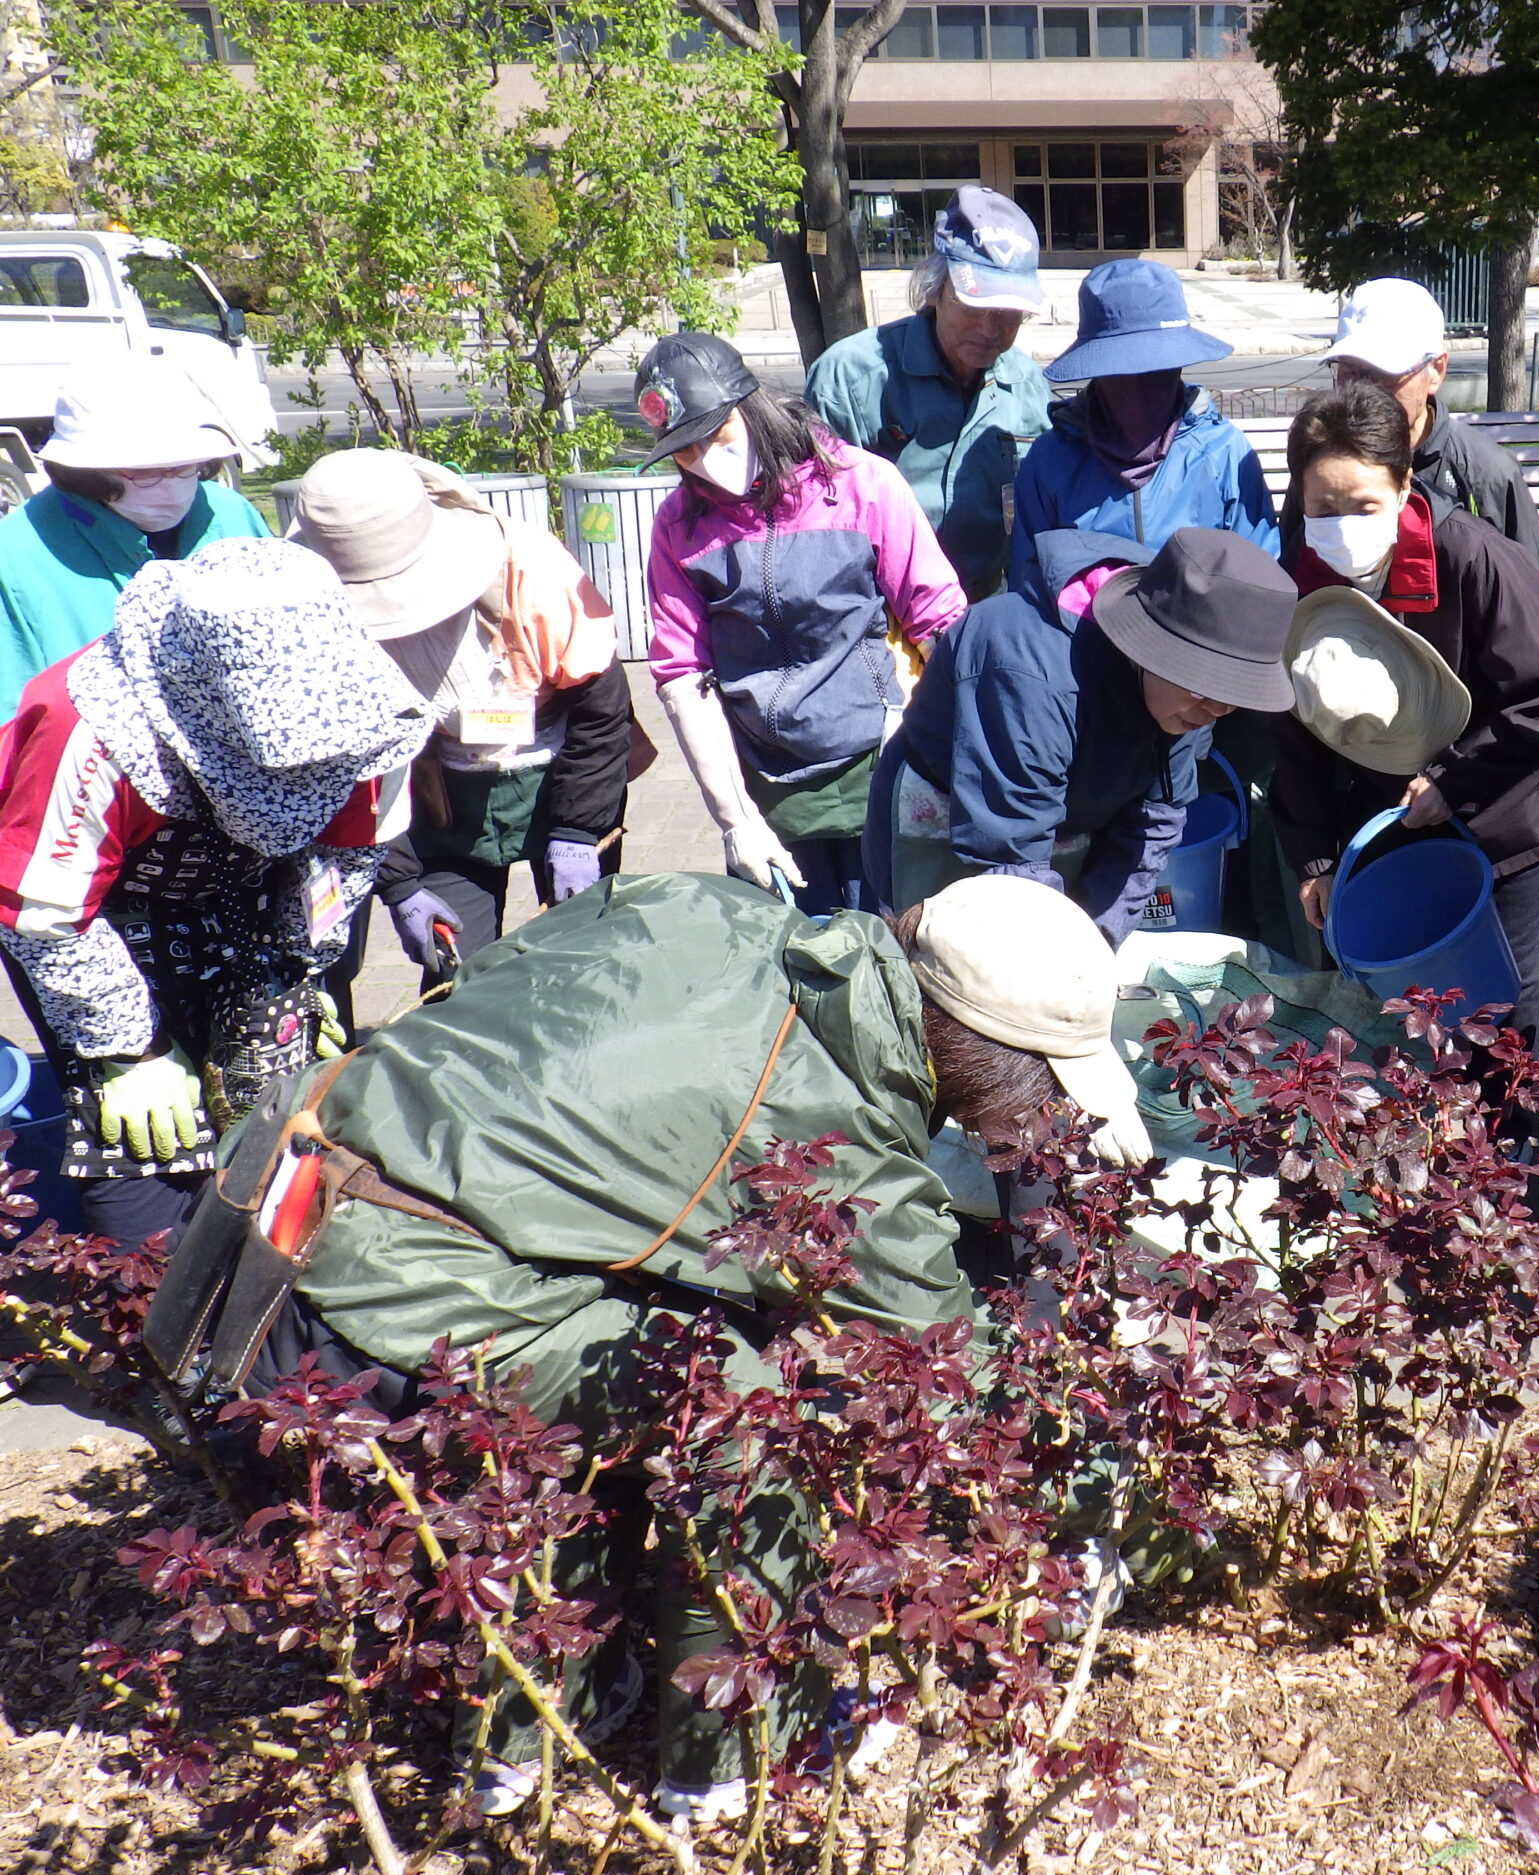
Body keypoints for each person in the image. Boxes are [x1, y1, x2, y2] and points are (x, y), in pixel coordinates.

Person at [158, 867, 1151, 1820]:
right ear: (987, 1059)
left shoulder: (699, 903)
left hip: (288, 1208)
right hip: (385, 1312)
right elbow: (934, 1378)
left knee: (623, 1333)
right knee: (745, 1411)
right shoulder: (843, 1147)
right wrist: (1073, 1405)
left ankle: (541, 1715)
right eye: (1040, 1092)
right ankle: (739, 1759)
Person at [0, 540, 427, 1247]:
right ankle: (140, 1308)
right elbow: (45, 914)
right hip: (97, 916)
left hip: (247, 894)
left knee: (271, 1098)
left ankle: (271, 1304)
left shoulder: (358, 709)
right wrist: (129, 1051)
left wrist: (299, 966)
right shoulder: (91, 726)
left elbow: (347, 853)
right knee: (144, 1138)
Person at [1270, 385, 1539, 1052]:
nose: (1341, 524)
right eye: (1323, 506)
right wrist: (1317, 860)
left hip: (1504, 812)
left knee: (1503, 1013)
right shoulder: (1299, 568)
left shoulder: (1474, 557)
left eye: (1364, 505)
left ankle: (1510, 1146)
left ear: (1406, 482)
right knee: (1414, 1011)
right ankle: (1432, 1147)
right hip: (1392, 817)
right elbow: (1297, 729)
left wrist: (1454, 777)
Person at [641, 332, 968, 917]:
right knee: (789, 967)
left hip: (878, 762)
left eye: (715, 438)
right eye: (683, 452)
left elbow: (940, 620)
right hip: (764, 784)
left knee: (884, 955)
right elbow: (682, 676)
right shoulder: (679, 525)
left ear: (751, 408)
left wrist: (949, 754)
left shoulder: (861, 484)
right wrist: (734, 820)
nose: (703, 463)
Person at [288, 450, 632, 984]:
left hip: (559, 775)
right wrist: (399, 883)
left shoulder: (532, 571)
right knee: (456, 980)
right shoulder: (306, 616)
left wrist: (580, 829)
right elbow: (346, 766)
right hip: (436, 796)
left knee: (583, 964)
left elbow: (603, 710)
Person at [865, 526, 1299, 942]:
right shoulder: (1026, 667)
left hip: (1067, 820)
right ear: (1150, 648)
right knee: (942, 970)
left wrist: (1097, 936)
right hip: (957, 820)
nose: (1217, 711)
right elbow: (1012, 856)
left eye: (1233, 695)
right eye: (1207, 690)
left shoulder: (1186, 699)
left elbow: (1156, 819)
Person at [805, 187, 1052, 603]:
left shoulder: (1028, 385)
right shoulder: (849, 377)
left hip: (985, 610)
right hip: (876, 616)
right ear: (936, 291)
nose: (991, 328)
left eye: (1009, 313)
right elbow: (814, 526)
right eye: (975, 306)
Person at [0, 361, 268, 712]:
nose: (169, 484)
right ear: (85, 471)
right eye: (142, 471)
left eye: (182, 466)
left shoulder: (231, 514)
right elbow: (14, 731)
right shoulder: (16, 555)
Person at [1004, 258, 1275, 598]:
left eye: (1156, 369)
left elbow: (1260, 581)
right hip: (1078, 645)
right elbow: (1029, 586)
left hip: (1200, 646)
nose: (1139, 389)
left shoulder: (1223, 452)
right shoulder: (1050, 460)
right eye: (1120, 373)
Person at [1317, 277, 1539, 576]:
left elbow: (1532, 592)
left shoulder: (1484, 472)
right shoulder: (1321, 463)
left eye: (1385, 375)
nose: (1365, 392)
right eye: (1350, 372)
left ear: (1436, 370)